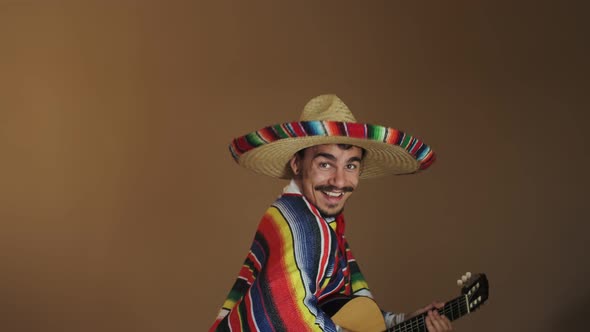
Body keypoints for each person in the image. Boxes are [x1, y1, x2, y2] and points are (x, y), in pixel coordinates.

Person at [209, 95, 451, 331]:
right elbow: (288, 314)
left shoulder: (326, 226)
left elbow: (344, 309)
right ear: (297, 164)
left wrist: (405, 322)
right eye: (325, 164)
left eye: (350, 166)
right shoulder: (301, 224)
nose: (339, 181)